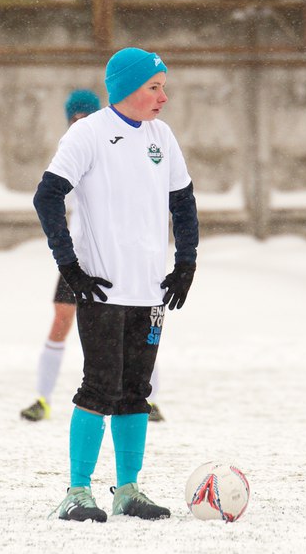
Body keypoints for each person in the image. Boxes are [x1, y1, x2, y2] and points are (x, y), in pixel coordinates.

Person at [33, 47, 198, 522]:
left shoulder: (162, 137)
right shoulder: (88, 134)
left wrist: (185, 263)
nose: (164, 96)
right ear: (127, 88)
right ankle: (77, 491)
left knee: (135, 391)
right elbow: (47, 197)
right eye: (155, 87)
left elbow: (183, 204)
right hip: (102, 289)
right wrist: (70, 265)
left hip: (150, 293)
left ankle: (128, 490)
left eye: (163, 86)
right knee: (98, 388)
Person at [21, 92, 167, 424]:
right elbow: (51, 197)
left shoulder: (115, 143)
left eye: (87, 115)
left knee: (135, 324)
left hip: (117, 256)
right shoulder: (71, 148)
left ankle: (150, 399)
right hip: (80, 257)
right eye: (76, 117)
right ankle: (42, 398)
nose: (82, 121)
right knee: (61, 318)